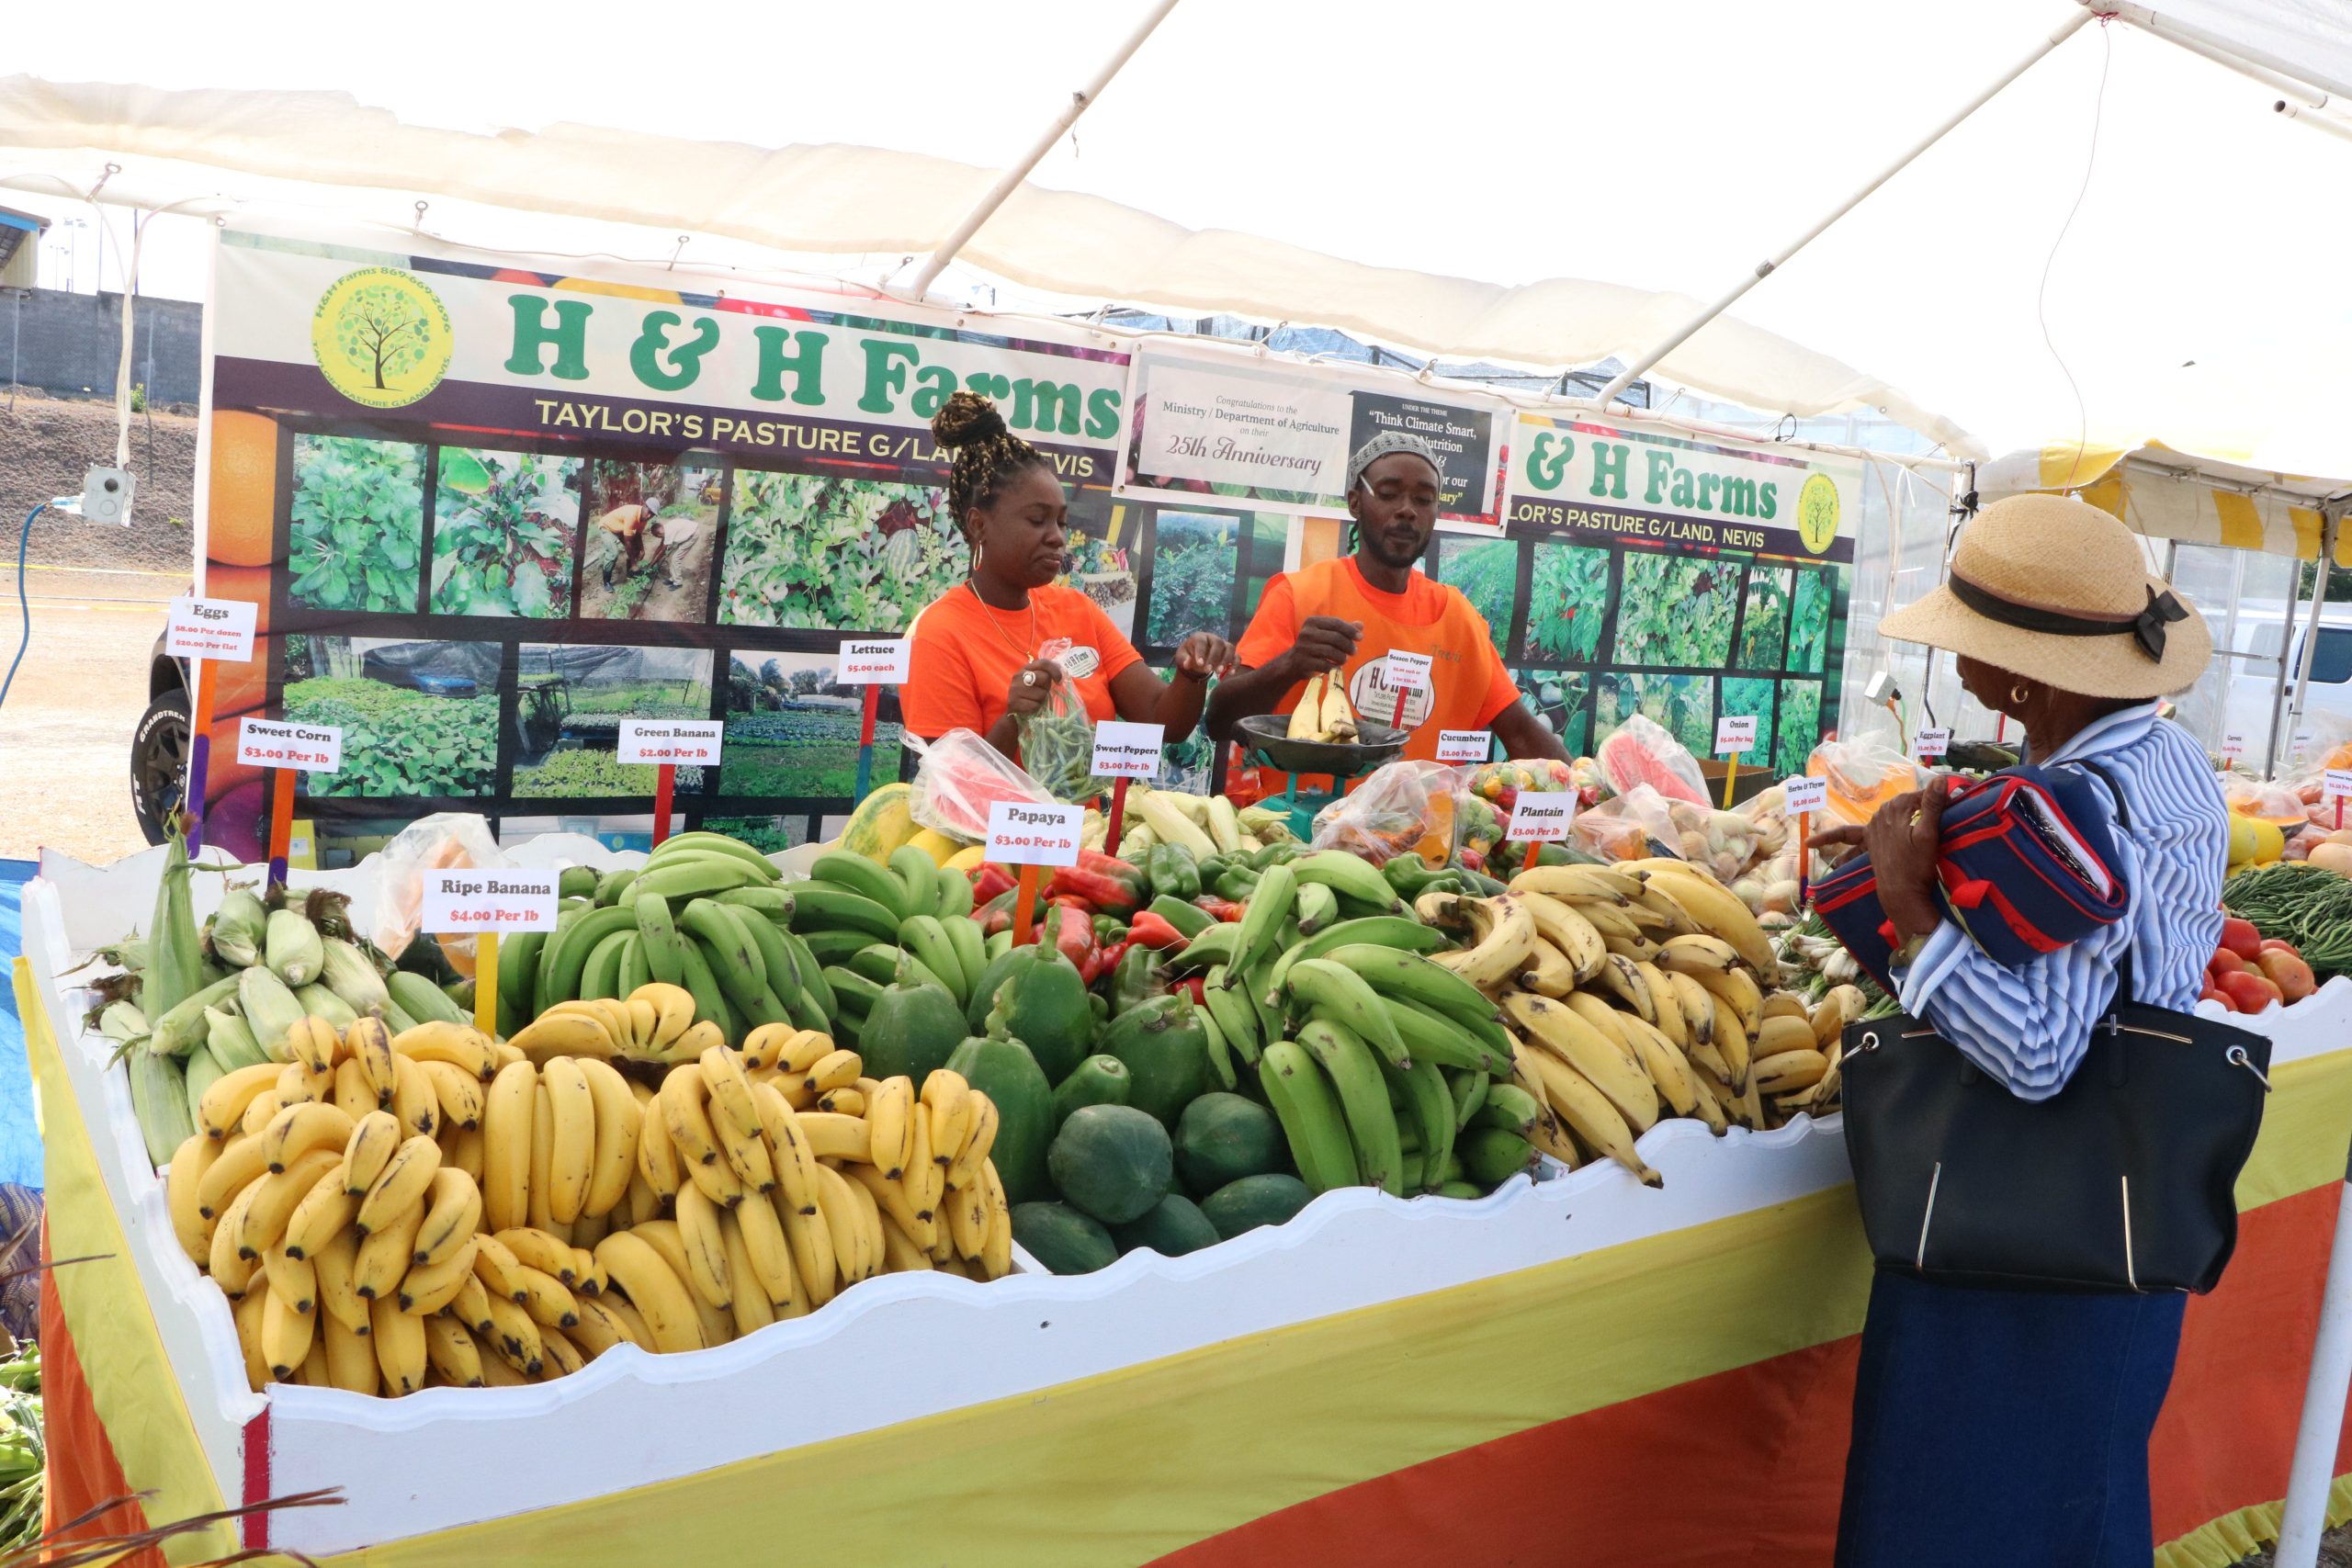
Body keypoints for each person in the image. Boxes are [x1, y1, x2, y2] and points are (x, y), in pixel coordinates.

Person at [1813, 493, 2223, 1568]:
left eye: (1971, 649)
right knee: (2077, 1506)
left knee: (1967, 1514)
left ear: (2021, 681)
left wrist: (1908, 913)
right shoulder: (2169, 765)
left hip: (2019, 1235)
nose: (1960, 667)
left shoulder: (2083, 801)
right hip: (2130, 1204)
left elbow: (2040, 1057)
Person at [1204, 431, 1566, 769]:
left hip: (1424, 835)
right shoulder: (1299, 595)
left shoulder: (1459, 618)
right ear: (1355, 502)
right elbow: (1221, 722)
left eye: (1424, 499)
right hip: (1307, 833)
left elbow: (1519, 732)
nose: (1407, 510)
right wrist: (1289, 665)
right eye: (1389, 494)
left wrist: (1593, 794)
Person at [902, 393, 1232, 761]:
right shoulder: (940, 634)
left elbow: (1161, 718)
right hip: (991, 821)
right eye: (1036, 520)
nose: (1058, 537)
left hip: (1089, 821)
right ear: (979, 524)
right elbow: (951, 784)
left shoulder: (1077, 609)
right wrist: (1014, 719)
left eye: (1061, 521)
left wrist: (1190, 675)